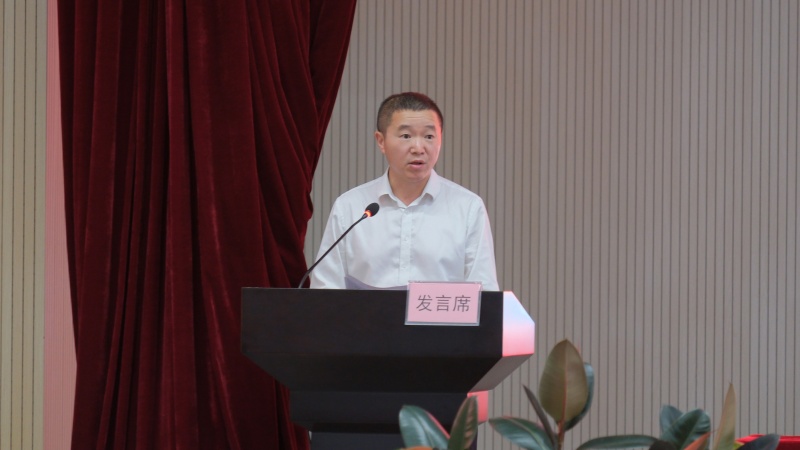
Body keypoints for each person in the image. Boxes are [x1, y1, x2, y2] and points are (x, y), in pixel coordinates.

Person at [309, 92, 499, 291]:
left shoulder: (468, 208)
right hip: (366, 313)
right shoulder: (350, 207)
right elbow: (326, 289)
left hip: (441, 313)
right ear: (381, 141)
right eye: (406, 136)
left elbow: (485, 292)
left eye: (429, 136)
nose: (418, 148)